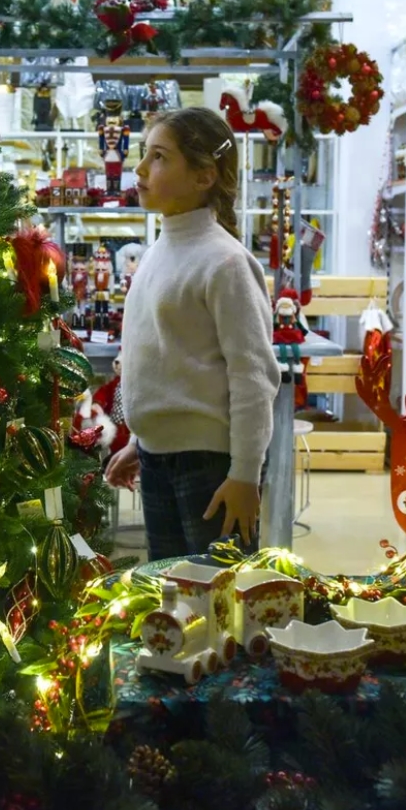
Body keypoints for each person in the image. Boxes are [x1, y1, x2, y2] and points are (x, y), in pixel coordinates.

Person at [104, 106, 279, 560]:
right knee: (174, 600)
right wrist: (141, 443)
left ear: (203, 176)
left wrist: (244, 474)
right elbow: (171, 363)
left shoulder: (225, 262)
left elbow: (253, 377)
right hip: (159, 462)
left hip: (209, 467)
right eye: (144, 155)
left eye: (159, 157)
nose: (140, 168)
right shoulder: (161, 250)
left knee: (221, 603)